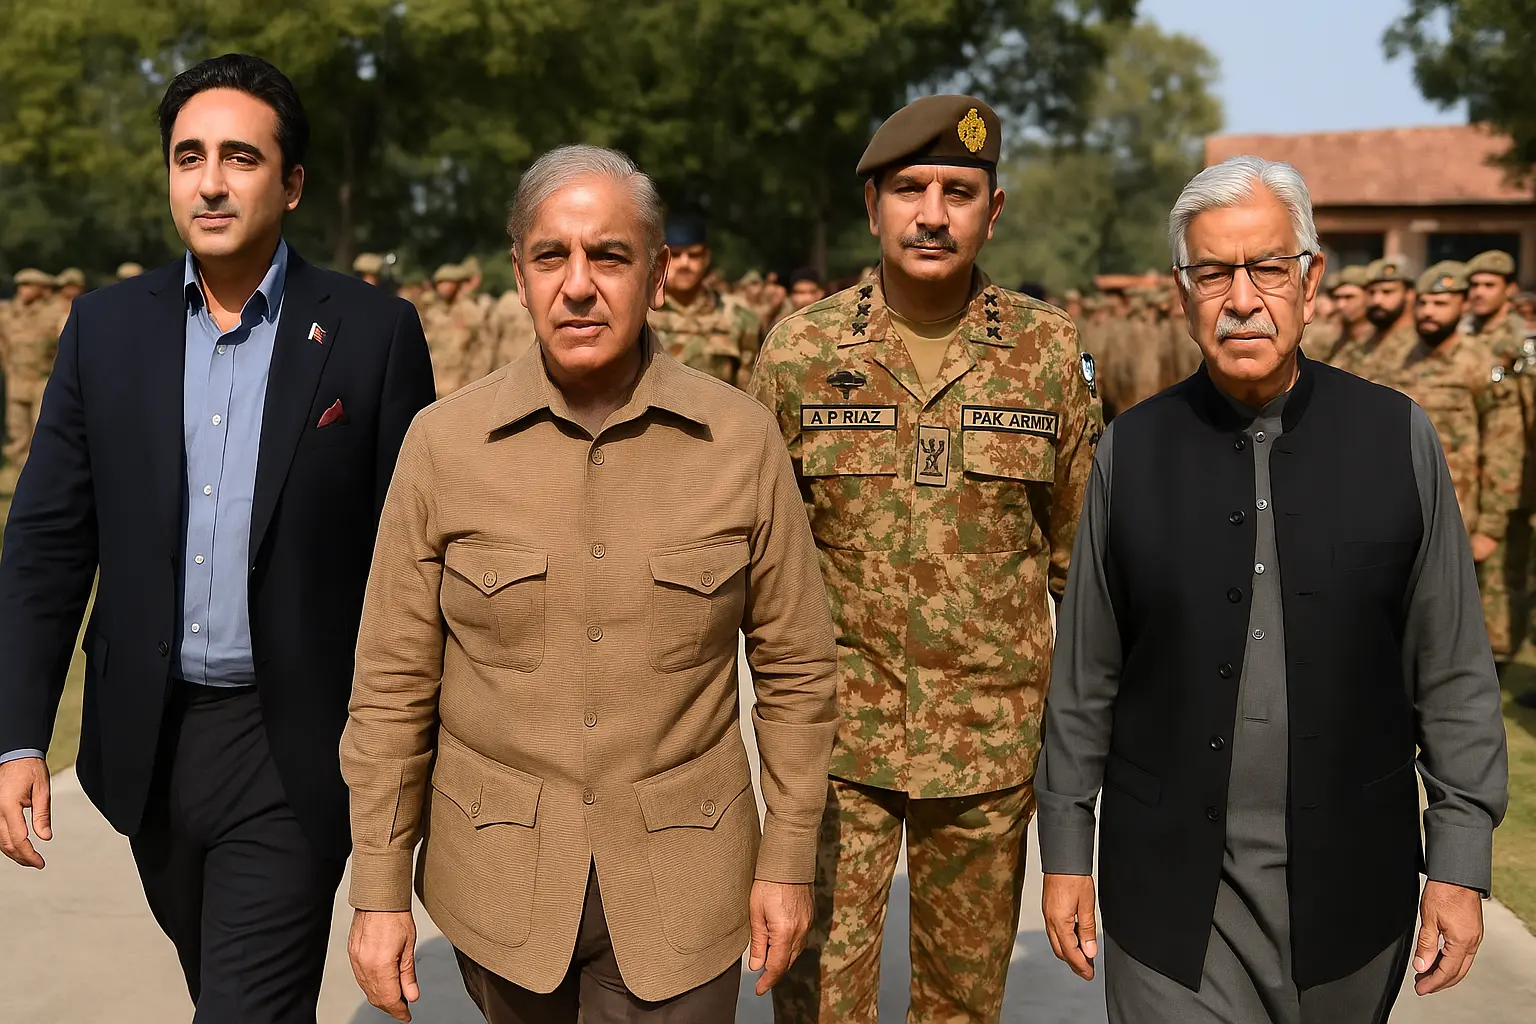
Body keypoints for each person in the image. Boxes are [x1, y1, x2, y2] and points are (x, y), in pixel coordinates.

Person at [340, 144, 838, 1024]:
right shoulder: (443, 446)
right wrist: (378, 892)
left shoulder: (739, 441)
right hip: (498, 883)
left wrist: (788, 858)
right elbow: (391, 683)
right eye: (551, 257)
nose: (578, 285)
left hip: (686, 884)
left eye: (609, 255)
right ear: (519, 276)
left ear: (659, 273)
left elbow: (798, 671)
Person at [0, 53, 436, 1023]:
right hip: (145, 746)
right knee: (228, 990)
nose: (209, 182)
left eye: (241, 157)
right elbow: (47, 544)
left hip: (294, 746)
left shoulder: (373, 333)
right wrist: (19, 734)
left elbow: (415, 564)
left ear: (292, 183)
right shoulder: (104, 329)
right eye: (188, 156)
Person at [1037, 155, 1509, 1023]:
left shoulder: (1396, 438)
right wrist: (1066, 845)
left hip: (1352, 894)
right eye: (1214, 273)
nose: (1243, 299)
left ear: (1311, 281)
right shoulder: (1131, 452)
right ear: (1183, 293)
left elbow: (1451, 671)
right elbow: (1085, 676)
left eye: (1267, 268)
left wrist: (1459, 859)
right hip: (1169, 895)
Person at [752, 94, 1102, 1024]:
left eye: (959, 191)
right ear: (873, 208)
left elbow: (1082, 569)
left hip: (989, 747)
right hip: (833, 747)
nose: (933, 214)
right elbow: (759, 564)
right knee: (817, 1002)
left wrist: (1083, 758)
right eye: (910, 189)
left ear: (995, 210)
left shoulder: (1047, 352)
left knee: (961, 1006)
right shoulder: (800, 351)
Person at [1383, 262, 1522, 661]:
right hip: (1402, 510)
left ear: (1462, 306)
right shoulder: (1401, 359)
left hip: (1461, 516)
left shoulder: (1481, 363)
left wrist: (1490, 527)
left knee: (1462, 629)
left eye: (1441, 304)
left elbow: (1504, 445)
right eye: (1424, 303)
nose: (1429, 312)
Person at [647, 215, 763, 388]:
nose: (684, 264)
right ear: (660, 260)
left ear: (706, 258)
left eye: (693, 255)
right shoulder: (640, 316)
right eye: (676, 255)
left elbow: (750, 392)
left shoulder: (740, 319)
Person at [0, 268, 61, 489]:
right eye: (20, 286)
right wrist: (7, 367)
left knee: (42, 430)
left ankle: (44, 481)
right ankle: (19, 479)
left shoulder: (55, 312)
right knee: (17, 431)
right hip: (17, 379)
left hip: (43, 380)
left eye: (28, 285)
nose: (22, 290)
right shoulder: (9, 313)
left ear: (40, 288)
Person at [1334, 255, 1418, 382]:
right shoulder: (1363, 342)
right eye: (1372, 293)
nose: (1376, 300)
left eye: (1387, 292)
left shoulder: (1417, 345)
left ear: (1409, 295)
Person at [1317, 264, 1371, 364]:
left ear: (1368, 296)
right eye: (1337, 298)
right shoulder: (1332, 340)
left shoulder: (1378, 341)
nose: (1340, 305)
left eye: (1349, 297)